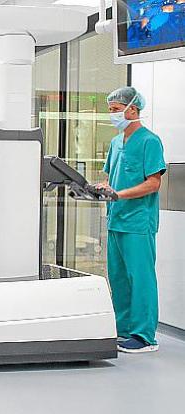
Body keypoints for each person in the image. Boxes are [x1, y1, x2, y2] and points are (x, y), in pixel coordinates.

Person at [100, 86, 166, 353]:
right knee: (118, 278)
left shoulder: (150, 141)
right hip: (116, 219)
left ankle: (144, 336)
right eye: (111, 110)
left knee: (140, 278)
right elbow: (111, 179)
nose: (113, 115)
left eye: (116, 110)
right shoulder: (116, 143)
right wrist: (101, 189)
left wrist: (120, 194)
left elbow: (153, 183)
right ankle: (124, 329)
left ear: (133, 109)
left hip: (138, 221)